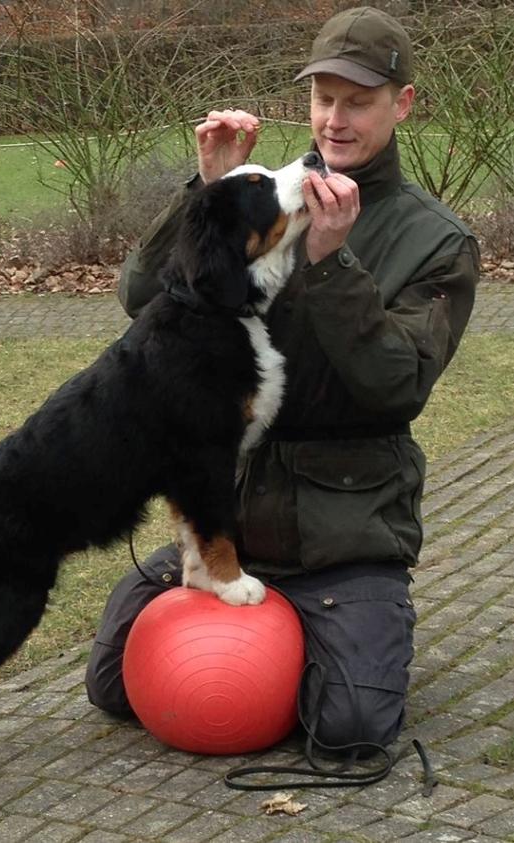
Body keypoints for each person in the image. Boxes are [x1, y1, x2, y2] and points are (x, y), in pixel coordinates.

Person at [85, 6, 479, 752]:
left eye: (357, 101)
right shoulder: (260, 193)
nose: (333, 120)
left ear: (401, 103)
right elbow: (142, 300)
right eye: (322, 98)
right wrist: (207, 194)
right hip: (228, 516)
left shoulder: (437, 241)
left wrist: (333, 263)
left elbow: (397, 385)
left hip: (342, 533)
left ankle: (336, 630)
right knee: (112, 684)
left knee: (350, 728)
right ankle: (268, 624)